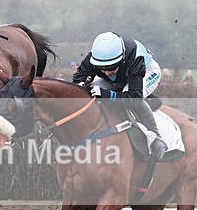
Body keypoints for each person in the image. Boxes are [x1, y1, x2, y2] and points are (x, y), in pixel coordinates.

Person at [72, 32, 167, 160]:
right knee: (89, 91)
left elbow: (134, 98)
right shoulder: (94, 57)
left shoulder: (135, 58)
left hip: (146, 72)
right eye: (102, 68)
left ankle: (156, 138)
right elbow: (77, 81)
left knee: (132, 99)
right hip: (122, 74)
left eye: (111, 68)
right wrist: (83, 86)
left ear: (121, 60)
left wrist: (106, 94)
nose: (107, 73)